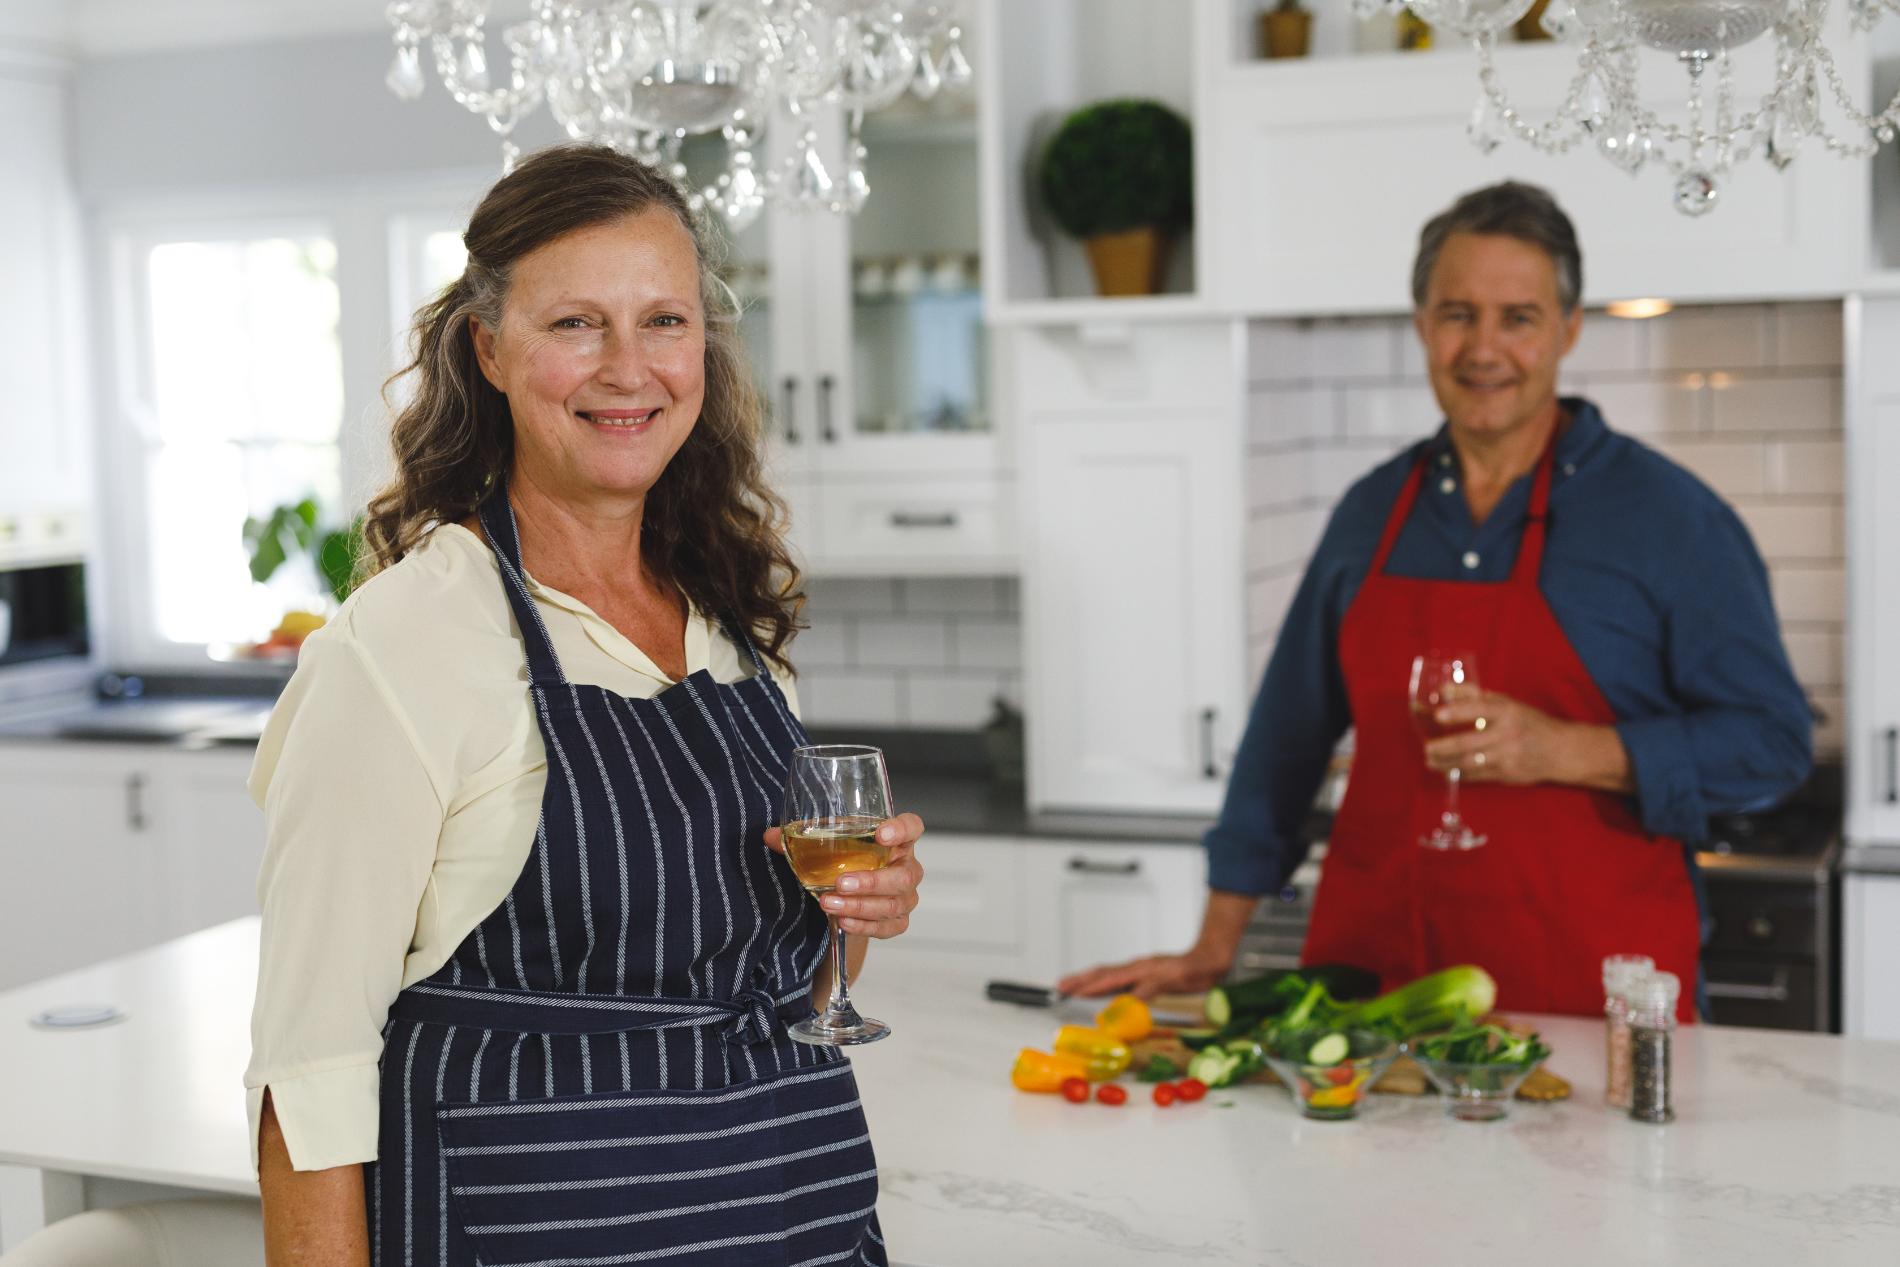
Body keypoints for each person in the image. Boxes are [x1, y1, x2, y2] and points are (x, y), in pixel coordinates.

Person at [245, 144, 922, 1266]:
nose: (630, 367)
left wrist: (854, 922)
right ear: (489, 348)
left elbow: (746, 988)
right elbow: (306, 1074)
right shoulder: (406, 644)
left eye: (664, 320)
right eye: (575, 325)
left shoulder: (727, 623)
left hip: (797, 1217)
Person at [1059, 181, 1811, 1021]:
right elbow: (1284, 741)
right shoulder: (1371, 511)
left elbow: (1772, 743)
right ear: (1421, 325)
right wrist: (1214, 942)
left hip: (1588, 1005)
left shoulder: (1672, 519)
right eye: (1457, 314)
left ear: (1567, 329)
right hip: (1370, 1004)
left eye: (1518, 318)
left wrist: (1564, 749)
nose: (1483, 348)